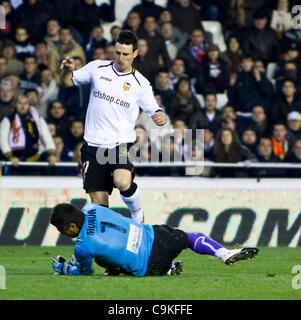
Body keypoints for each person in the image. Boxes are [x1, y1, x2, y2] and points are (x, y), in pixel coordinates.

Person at [59, 30, 167, 223]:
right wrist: (67, 71)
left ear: (135, 53)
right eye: (117, 52)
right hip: (92, 145)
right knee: (98, 206)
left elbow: (154, 110)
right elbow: (67, 82)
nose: (120, 58)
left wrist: (159, 116)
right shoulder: (97, 68)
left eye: (125, 54)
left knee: (122, 180)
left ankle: (137, 215)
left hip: (121, 143)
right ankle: (106, 248)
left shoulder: (140, 83)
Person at [50, 202, 259, 276]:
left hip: (150, 266)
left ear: (72, 226)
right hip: (154, 235)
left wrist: (65, 268)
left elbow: (84, 272)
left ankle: (166, 269)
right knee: (186, 237)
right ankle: (224, 253)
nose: (63, 233)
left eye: (62, 230)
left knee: (100, 259)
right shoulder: (92, 207)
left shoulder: (82, 247)